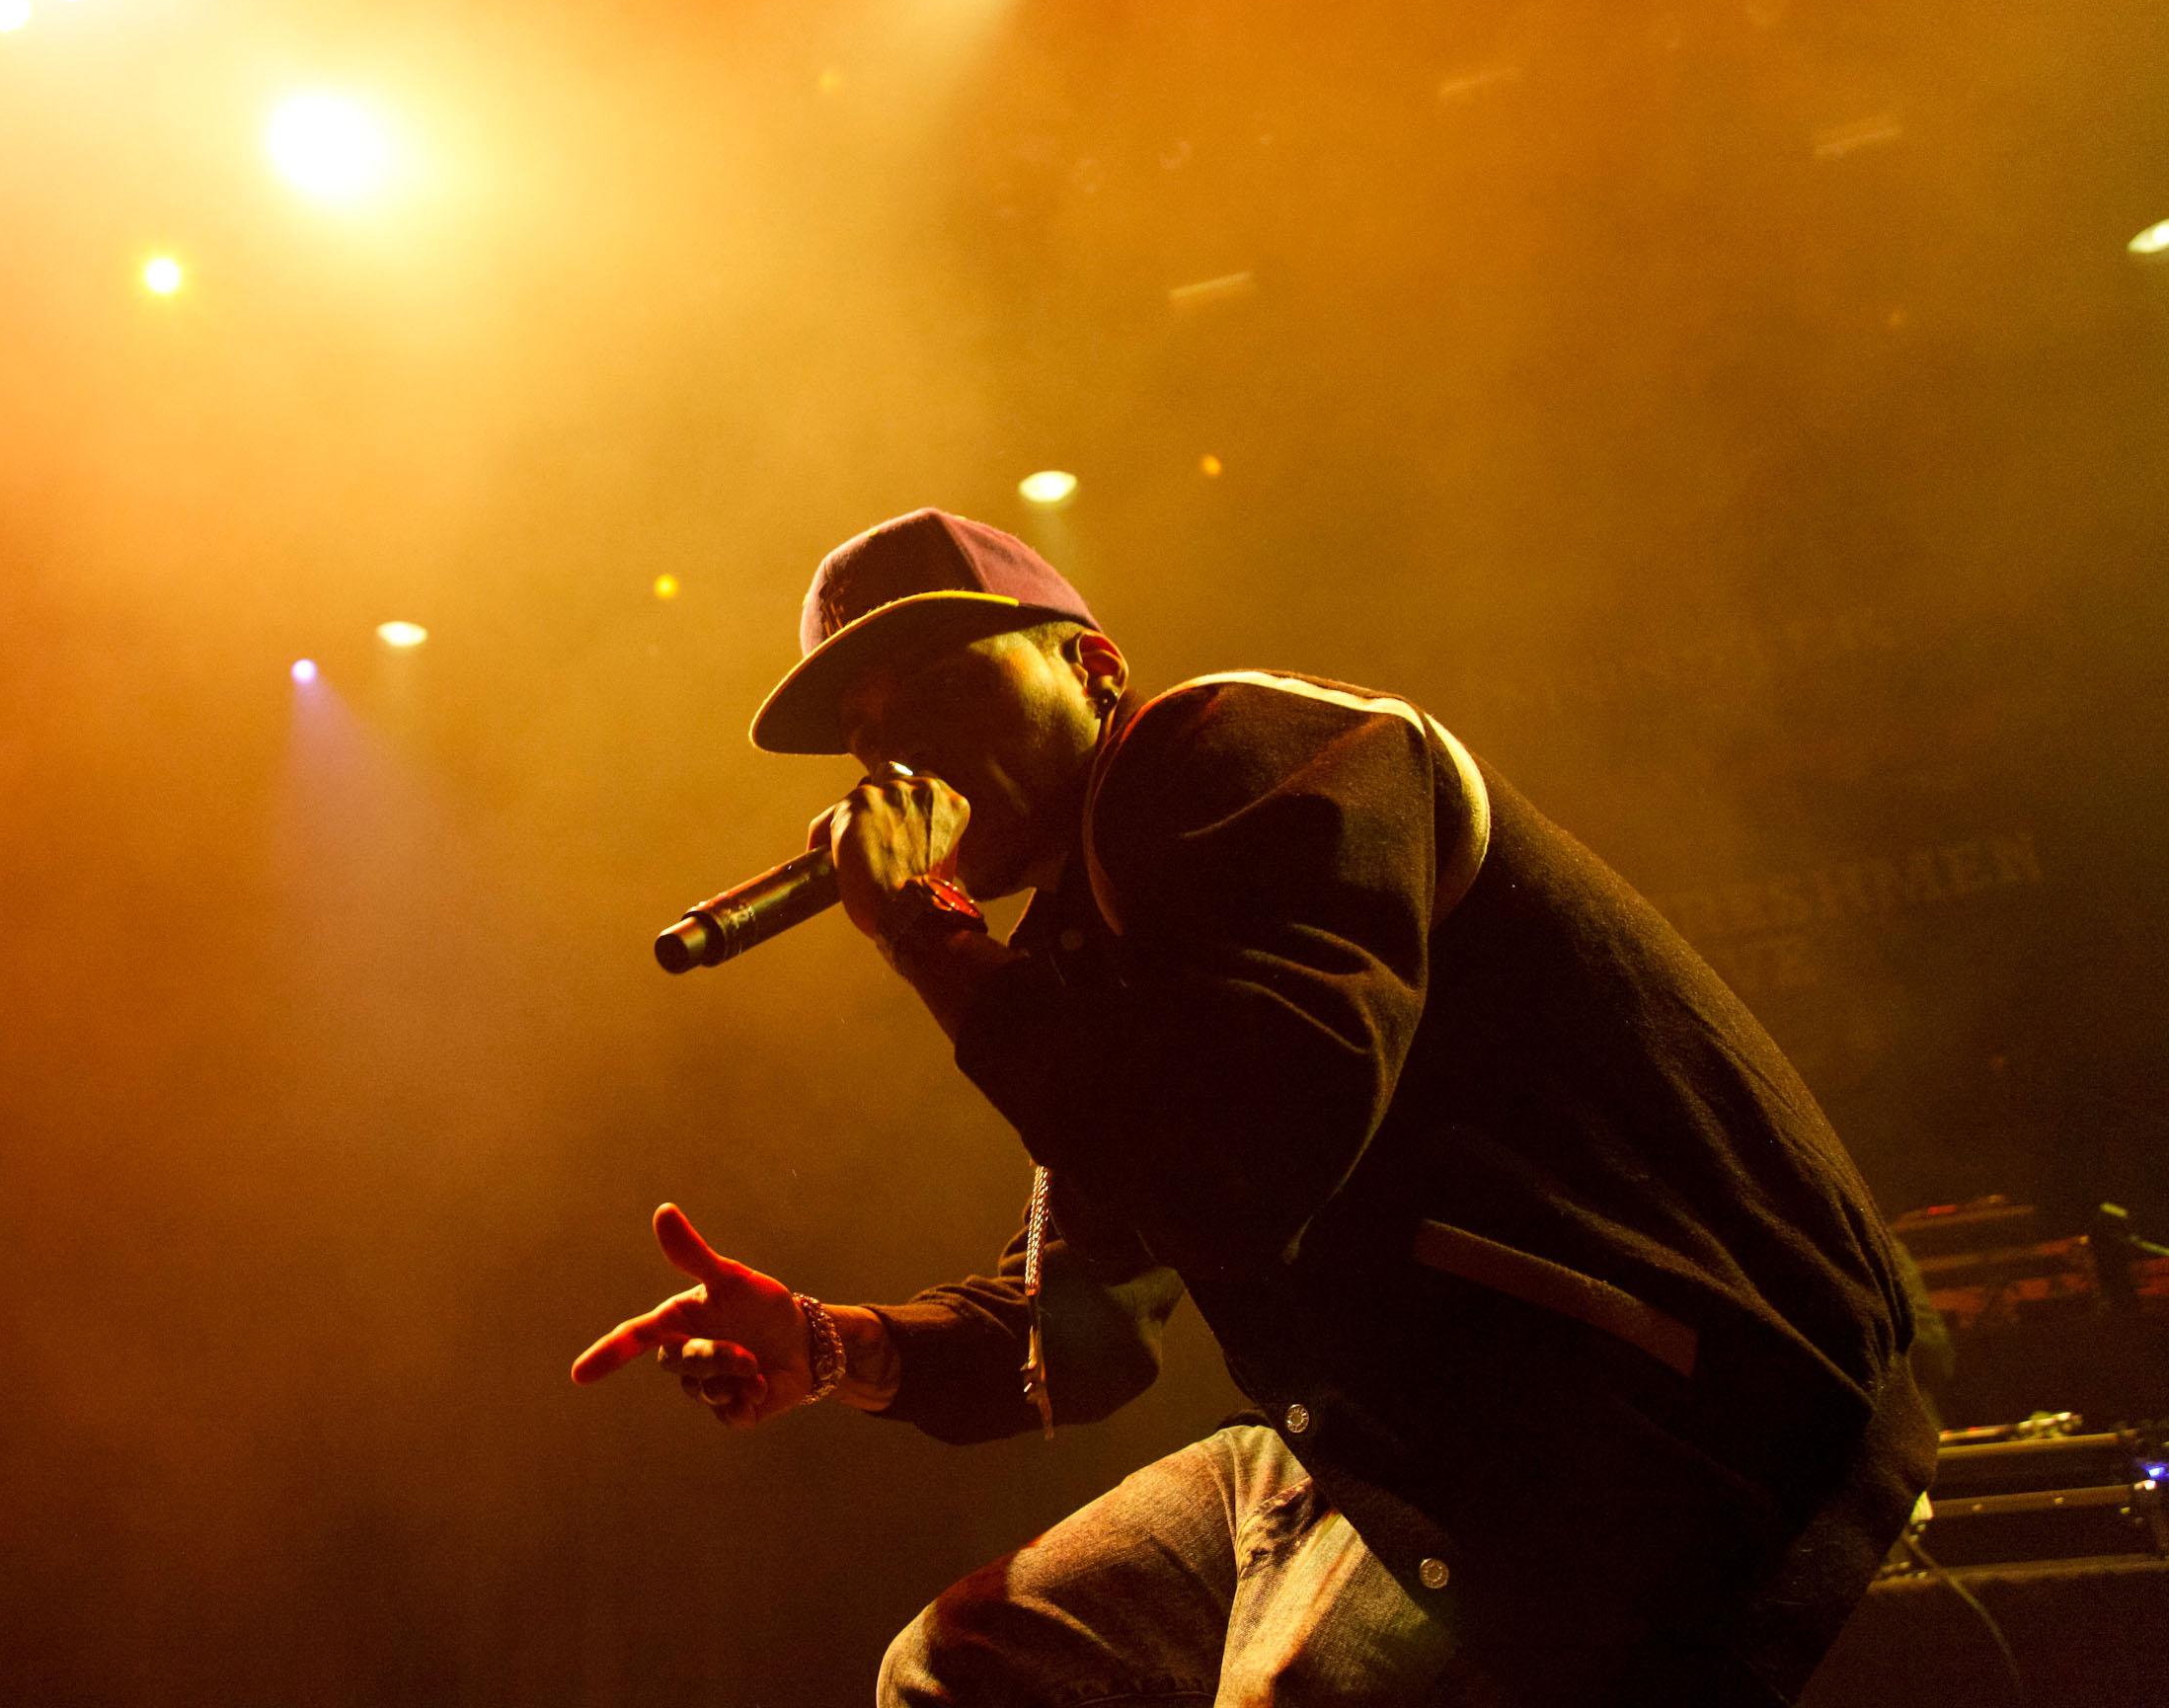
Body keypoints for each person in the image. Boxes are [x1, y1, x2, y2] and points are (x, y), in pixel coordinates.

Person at [572, 509, 1933, 1708]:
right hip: (1393, 1438)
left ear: (1091, 666)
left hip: (1656, 1405)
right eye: (865, 736)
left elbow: (1241, 1165)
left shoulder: (1235, 747)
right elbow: (1086, 1317)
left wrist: (933, 936)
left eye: (933, 685)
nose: (889, 760)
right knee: (963, 1667)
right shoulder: (1085, 939)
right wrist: (829, 1346)